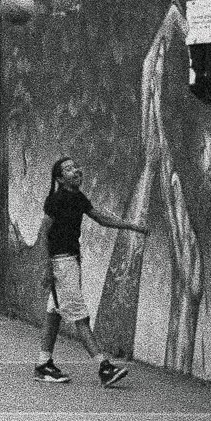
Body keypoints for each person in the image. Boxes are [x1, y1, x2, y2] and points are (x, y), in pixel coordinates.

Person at [34, 157, 147, 387]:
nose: (75, 170)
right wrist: (47, 266)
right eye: (68, 169)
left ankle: (43, 363)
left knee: (54, 313)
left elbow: (100, 218)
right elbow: (44, 233)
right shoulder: (56, 200)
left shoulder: (78, 198)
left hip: (71, 262)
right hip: (61, 264)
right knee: (80, 316)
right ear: (59, 178)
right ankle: (104, 367)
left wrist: (131, 226)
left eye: (75, 166)